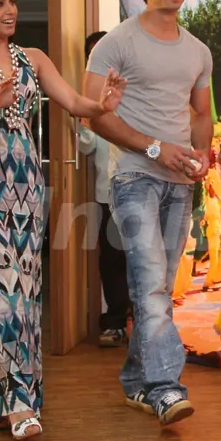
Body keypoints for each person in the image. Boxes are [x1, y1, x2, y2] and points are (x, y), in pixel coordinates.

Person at [0, 0, 125, 441]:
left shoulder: (34, 59)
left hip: (25, 185)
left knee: (23, 293)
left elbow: (73, 102)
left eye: (14, 2)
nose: (10, 10)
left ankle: (21, 402)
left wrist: (103, 105)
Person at [83, 0, 213, 429]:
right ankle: (164, 388)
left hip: (180, 184)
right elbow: (95, 116)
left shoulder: (198, 51)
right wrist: (156, 148)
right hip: (135, 178)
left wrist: (200, 155)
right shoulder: (115, 44)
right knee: (152, 285)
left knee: (156, 285)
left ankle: (137, 382)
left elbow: (201, 114)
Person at [78, 31, 132, 348]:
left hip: (140, 193)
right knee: (111, 261)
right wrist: (83, 120)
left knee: (144, 260)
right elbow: (86, 147)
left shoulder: (135, 95)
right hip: (106, 194)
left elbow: (151, 146)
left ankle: (146, 325)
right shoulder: (88, 101)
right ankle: (114, 323)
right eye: (92, 56)